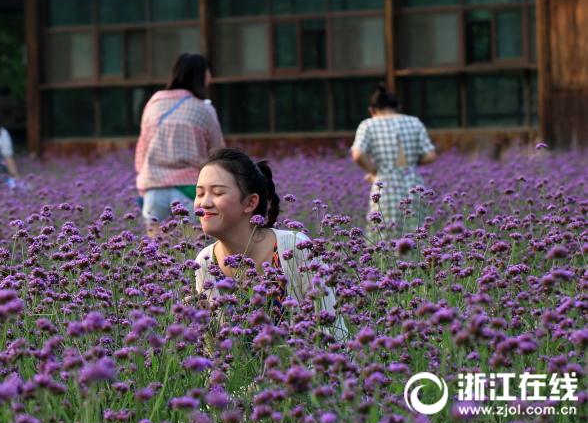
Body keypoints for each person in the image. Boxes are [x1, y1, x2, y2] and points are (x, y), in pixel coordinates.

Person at [193, 148, 347, 340]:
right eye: (199, 194)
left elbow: (332, 334)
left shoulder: (294, 248)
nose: (204, 203)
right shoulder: (206, 262)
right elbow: (214, 352)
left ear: (250, 203)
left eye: (217, 193)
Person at [135, 53, 224, 237]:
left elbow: (142, 147)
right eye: (208, 72)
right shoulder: (204, 108)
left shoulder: (155, 102)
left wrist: (142, 183)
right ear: (201, 75)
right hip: (190, 188)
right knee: (193, 248)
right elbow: (219, 154)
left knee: (155, 252)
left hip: (153, 187)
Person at [350, 84, 437, 232]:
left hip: (385, 184)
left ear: (372, 111)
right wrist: (410, 163)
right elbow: (430, 155)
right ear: (398, 108)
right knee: (415, 232)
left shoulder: (368, 125)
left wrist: (372, 171)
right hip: (414, 182)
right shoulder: (414, 122)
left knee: (385, 233)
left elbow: (358, 154)